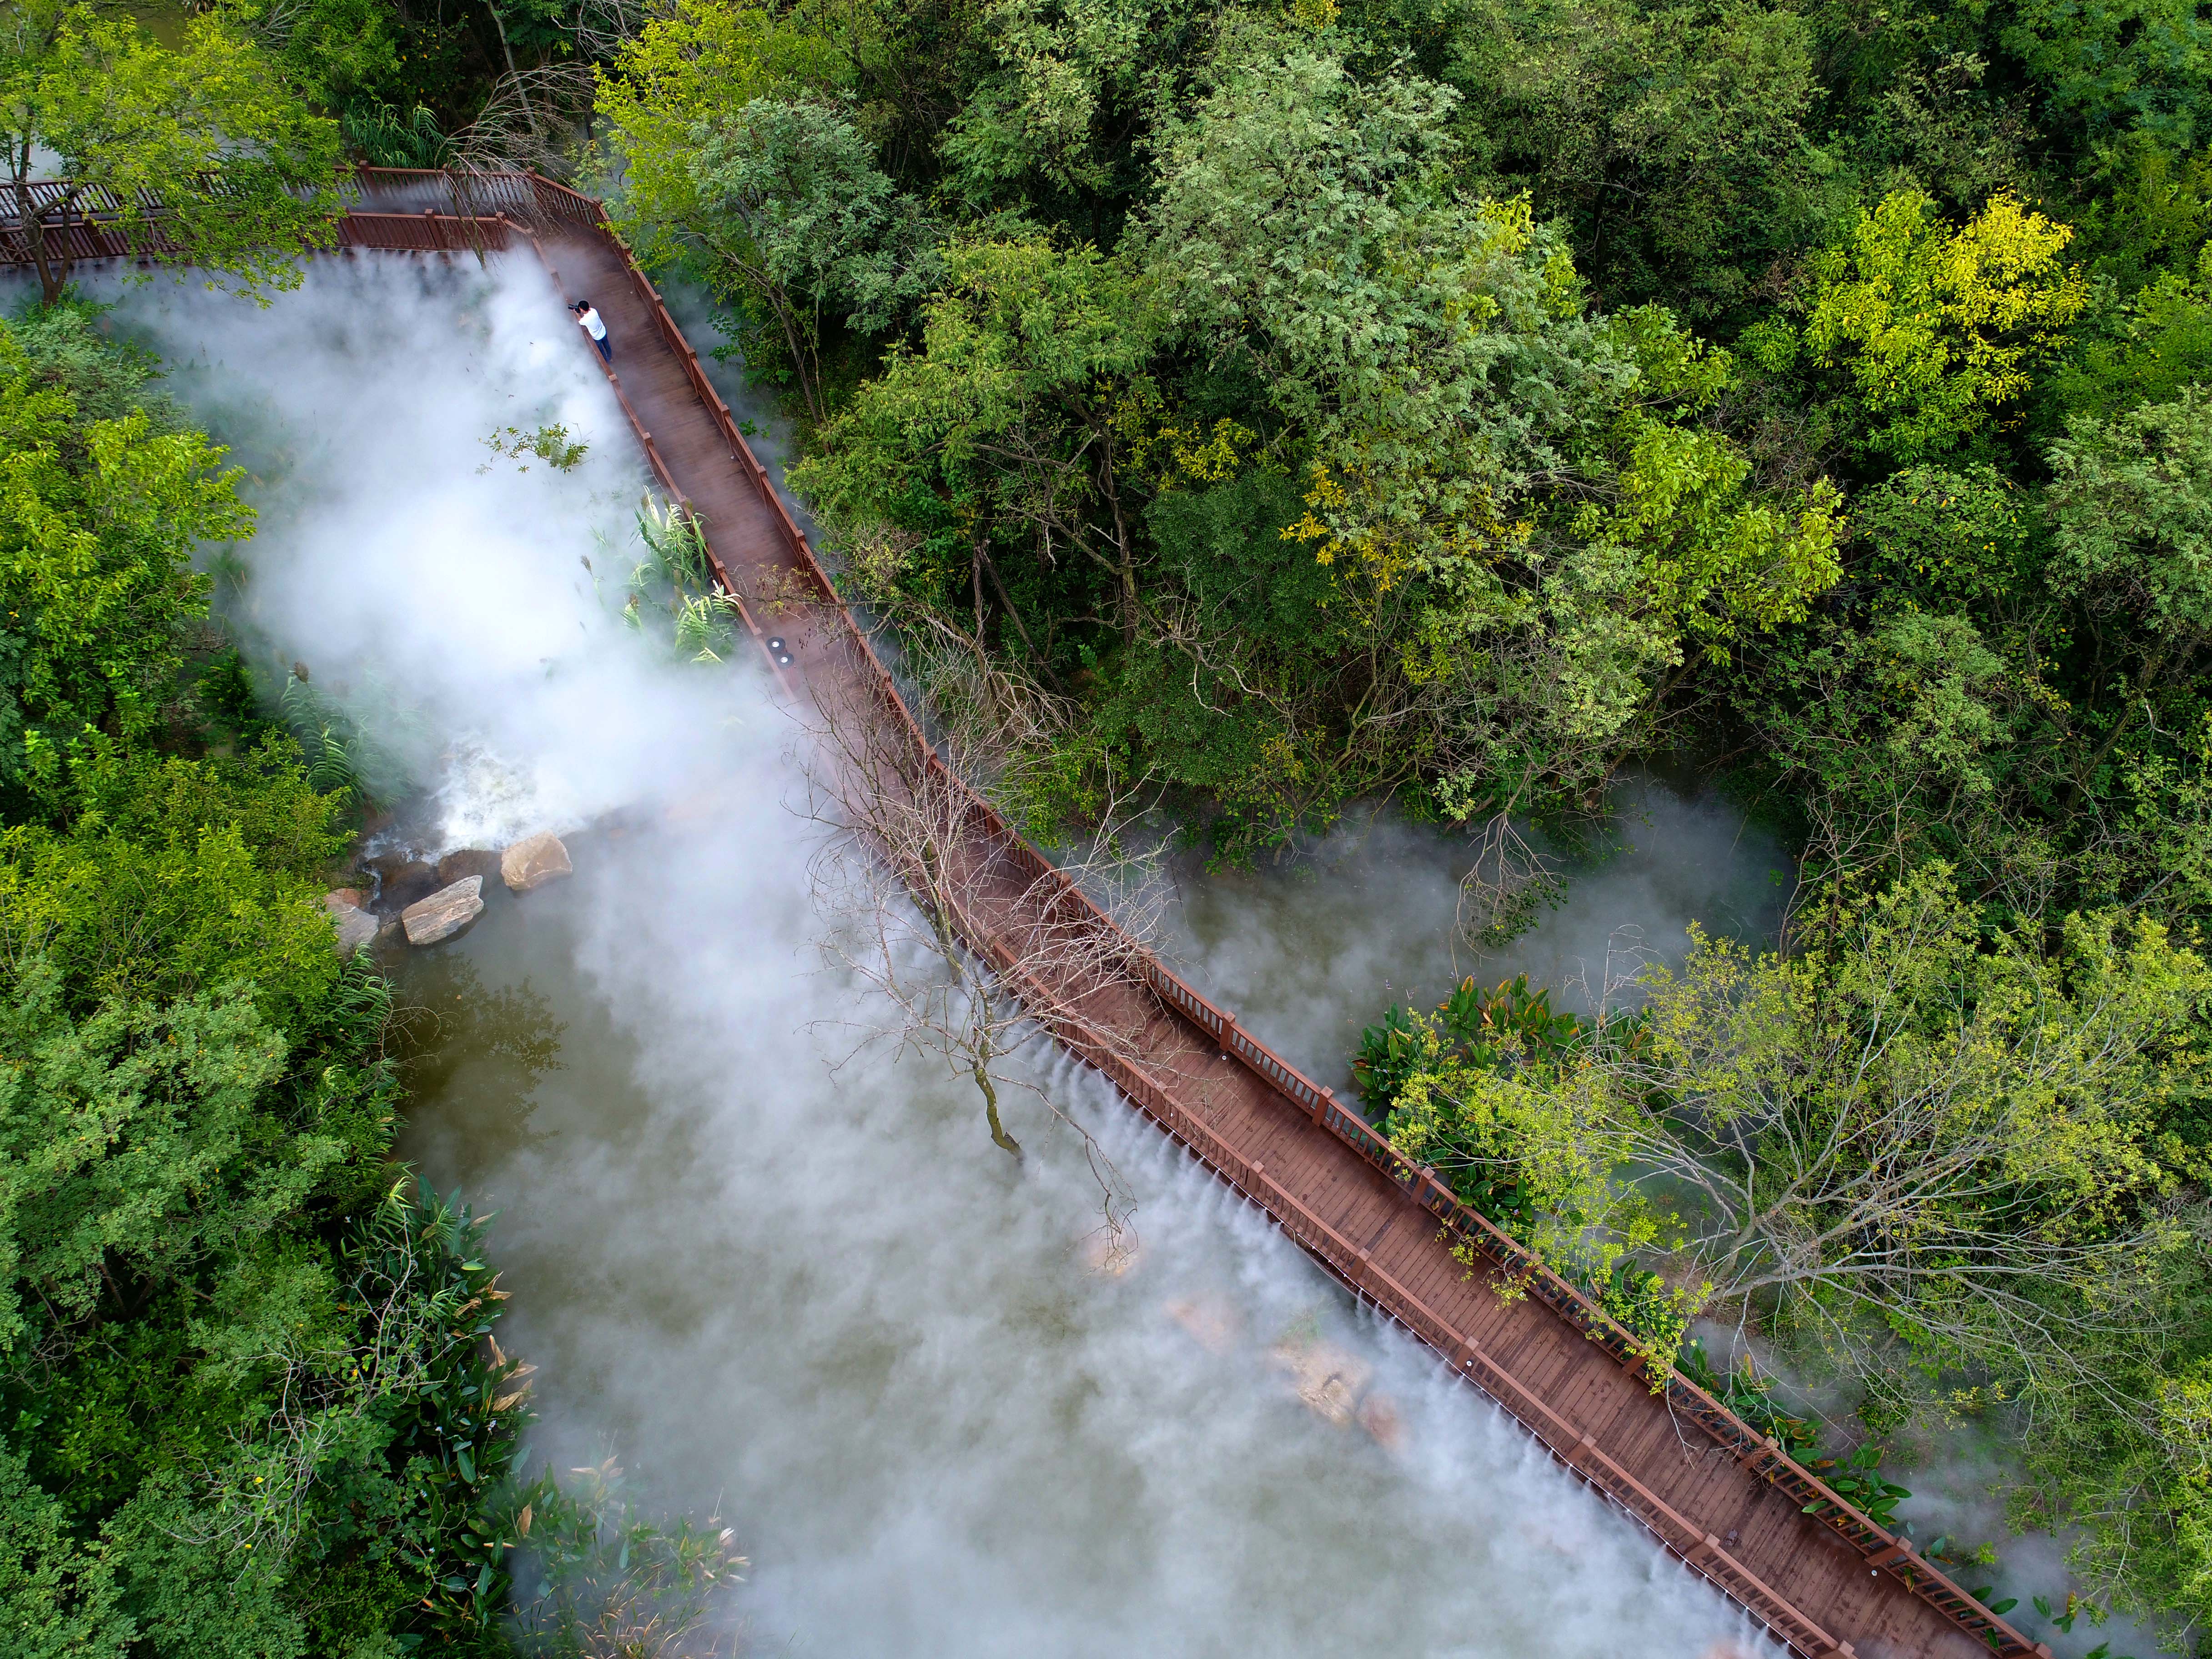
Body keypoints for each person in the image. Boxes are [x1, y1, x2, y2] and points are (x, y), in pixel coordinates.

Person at [572, 299, 610, 363]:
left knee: (601, 351)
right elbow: (588, 310)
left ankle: (607, 361)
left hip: (597, 337)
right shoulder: (594, 311)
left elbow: (580, 321)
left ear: (582, 310)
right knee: (607, 346)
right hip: (603, 332)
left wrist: (577, 313)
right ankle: (610, 357)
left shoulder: (585, 320)